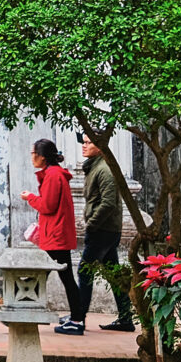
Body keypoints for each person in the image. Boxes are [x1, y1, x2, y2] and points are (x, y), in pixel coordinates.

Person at [70, 130, 136, 333]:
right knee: (113, 274)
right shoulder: (95, 167)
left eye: (89, 142)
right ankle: (126, 318)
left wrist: (91, 224)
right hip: (106, 230)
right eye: (84, 142)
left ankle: (78, 318)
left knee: (84, 271)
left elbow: (108, 203)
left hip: (103, 231)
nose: (84, 145)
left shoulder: (105, 169)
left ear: (100, 146)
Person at [22, 138, 82, 335]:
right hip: (57, 234)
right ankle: (76, 316)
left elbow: (47, 205)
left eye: (33, 154)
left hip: (56, 235)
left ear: (42, 157)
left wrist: (30, 197)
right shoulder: (54, 174)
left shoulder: (53, 176)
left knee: (49, 275)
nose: (32, 157)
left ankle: (76, 319)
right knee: (61, 276)